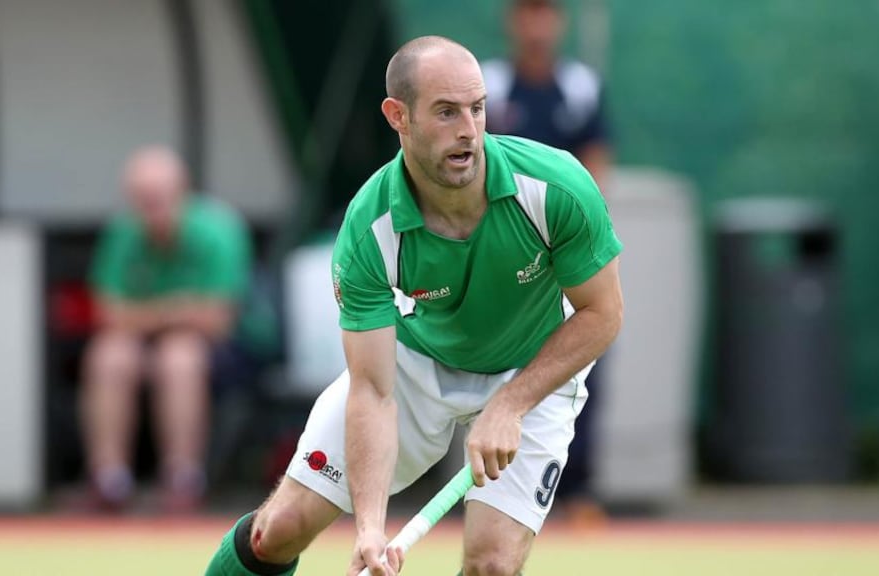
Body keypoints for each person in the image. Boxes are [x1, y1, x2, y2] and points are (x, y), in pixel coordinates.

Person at [205, 35, 622, 576]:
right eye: (446, 112)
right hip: (414, 365)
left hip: (532, 366)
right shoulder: (368, 230)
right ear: (397, 116)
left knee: (492, 566)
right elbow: (374, 391)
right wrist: (370, 531)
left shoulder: (557, 187)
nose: (469, 131)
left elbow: (603, 313)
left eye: (476, 109)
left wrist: (511, 403)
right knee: (275, 533)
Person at [482, 0, 613, 525]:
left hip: (564, 259)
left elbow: (598, 172)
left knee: (585, 363)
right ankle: (483, 491)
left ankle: (580, 493)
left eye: (546, 13)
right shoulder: (488, 86)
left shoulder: (582, 88)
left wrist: (577, 246)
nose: (536, 26)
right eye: (526, 12)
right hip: (499, 257)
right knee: (484, 366)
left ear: (559, 23)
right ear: (512, 21)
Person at [81, 146, 252, 513]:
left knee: (178, 356)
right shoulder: (123, 232)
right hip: (140, 342)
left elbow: (217, 319)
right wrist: (177, 308)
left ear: (183, 192)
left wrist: (145, 315)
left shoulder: (219, 230)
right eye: (142, 199)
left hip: (220, 350)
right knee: (108, 355)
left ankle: (182, 479)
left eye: (159, 197)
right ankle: (109, 480)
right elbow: (106, 314)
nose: (151, 208)